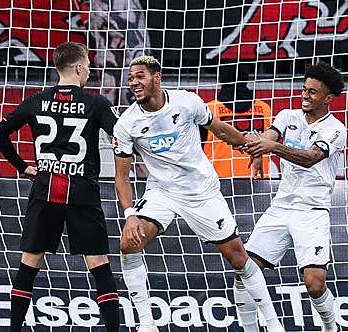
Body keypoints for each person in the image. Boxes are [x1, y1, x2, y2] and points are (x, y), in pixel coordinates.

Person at [113, 55, 284, 332]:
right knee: (128, 243)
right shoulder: (126, 123)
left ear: (157, 77)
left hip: (200, 191)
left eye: (140, 76)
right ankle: (146, 324)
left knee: (238, 257)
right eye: (131, 78)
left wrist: (250, 147)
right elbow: (121, 176)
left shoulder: (187, 102)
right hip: (161, 192)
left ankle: (272, 322)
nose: (134, 82)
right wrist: (130, 215)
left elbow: (219, 129)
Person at [0, 42, 120, 331]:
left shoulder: (36, 101)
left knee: (29, 265)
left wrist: (21, 165)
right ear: (77, 67)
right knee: (99, 264)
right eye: (87, 66)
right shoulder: (96, 103)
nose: (89, 71)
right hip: (82, 193)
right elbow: (120, 134)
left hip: (45, 189)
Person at [238, 62, 345, 332]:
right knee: (244, 269)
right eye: (303, 89)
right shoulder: (287, 116)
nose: (305, 96)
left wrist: (271, 147)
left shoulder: (336, 130)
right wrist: (258, 152)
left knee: (314, 282)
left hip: (312, 212)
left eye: (312, 92)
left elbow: (310, 158)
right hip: (281, 207)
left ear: (328, 98)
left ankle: (331, 327)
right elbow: (269, 136)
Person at [202, 63, 272, 178]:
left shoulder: (209, 109)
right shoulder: (264, 108)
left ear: (222, 79)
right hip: (258, 177)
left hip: (219, 180)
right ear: (246, 78)